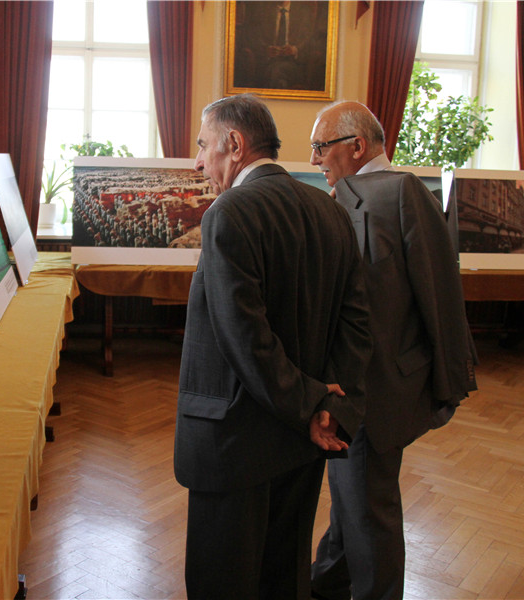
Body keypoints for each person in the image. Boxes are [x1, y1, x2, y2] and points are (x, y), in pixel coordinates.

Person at [174, 93, 372, 599]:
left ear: (234, 144)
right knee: (284, 579)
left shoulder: (229, 212)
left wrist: (310, 403)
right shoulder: (330, 212)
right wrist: (328, 405)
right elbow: (356, 322)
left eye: (203, 146)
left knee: (224, 583)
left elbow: (244, 336)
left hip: (235, 442)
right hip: (302, 441)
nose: (198, 161)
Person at [308, 101, 478, 600]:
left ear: (357, 146)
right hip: (347, 386)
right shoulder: (346, 196)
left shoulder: (403, 191)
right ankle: (324, 583)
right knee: (351, 497)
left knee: (366, 506)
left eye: (321, 146)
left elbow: (440, 291)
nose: (314, 157)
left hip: (377, 388)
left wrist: (451, 382)